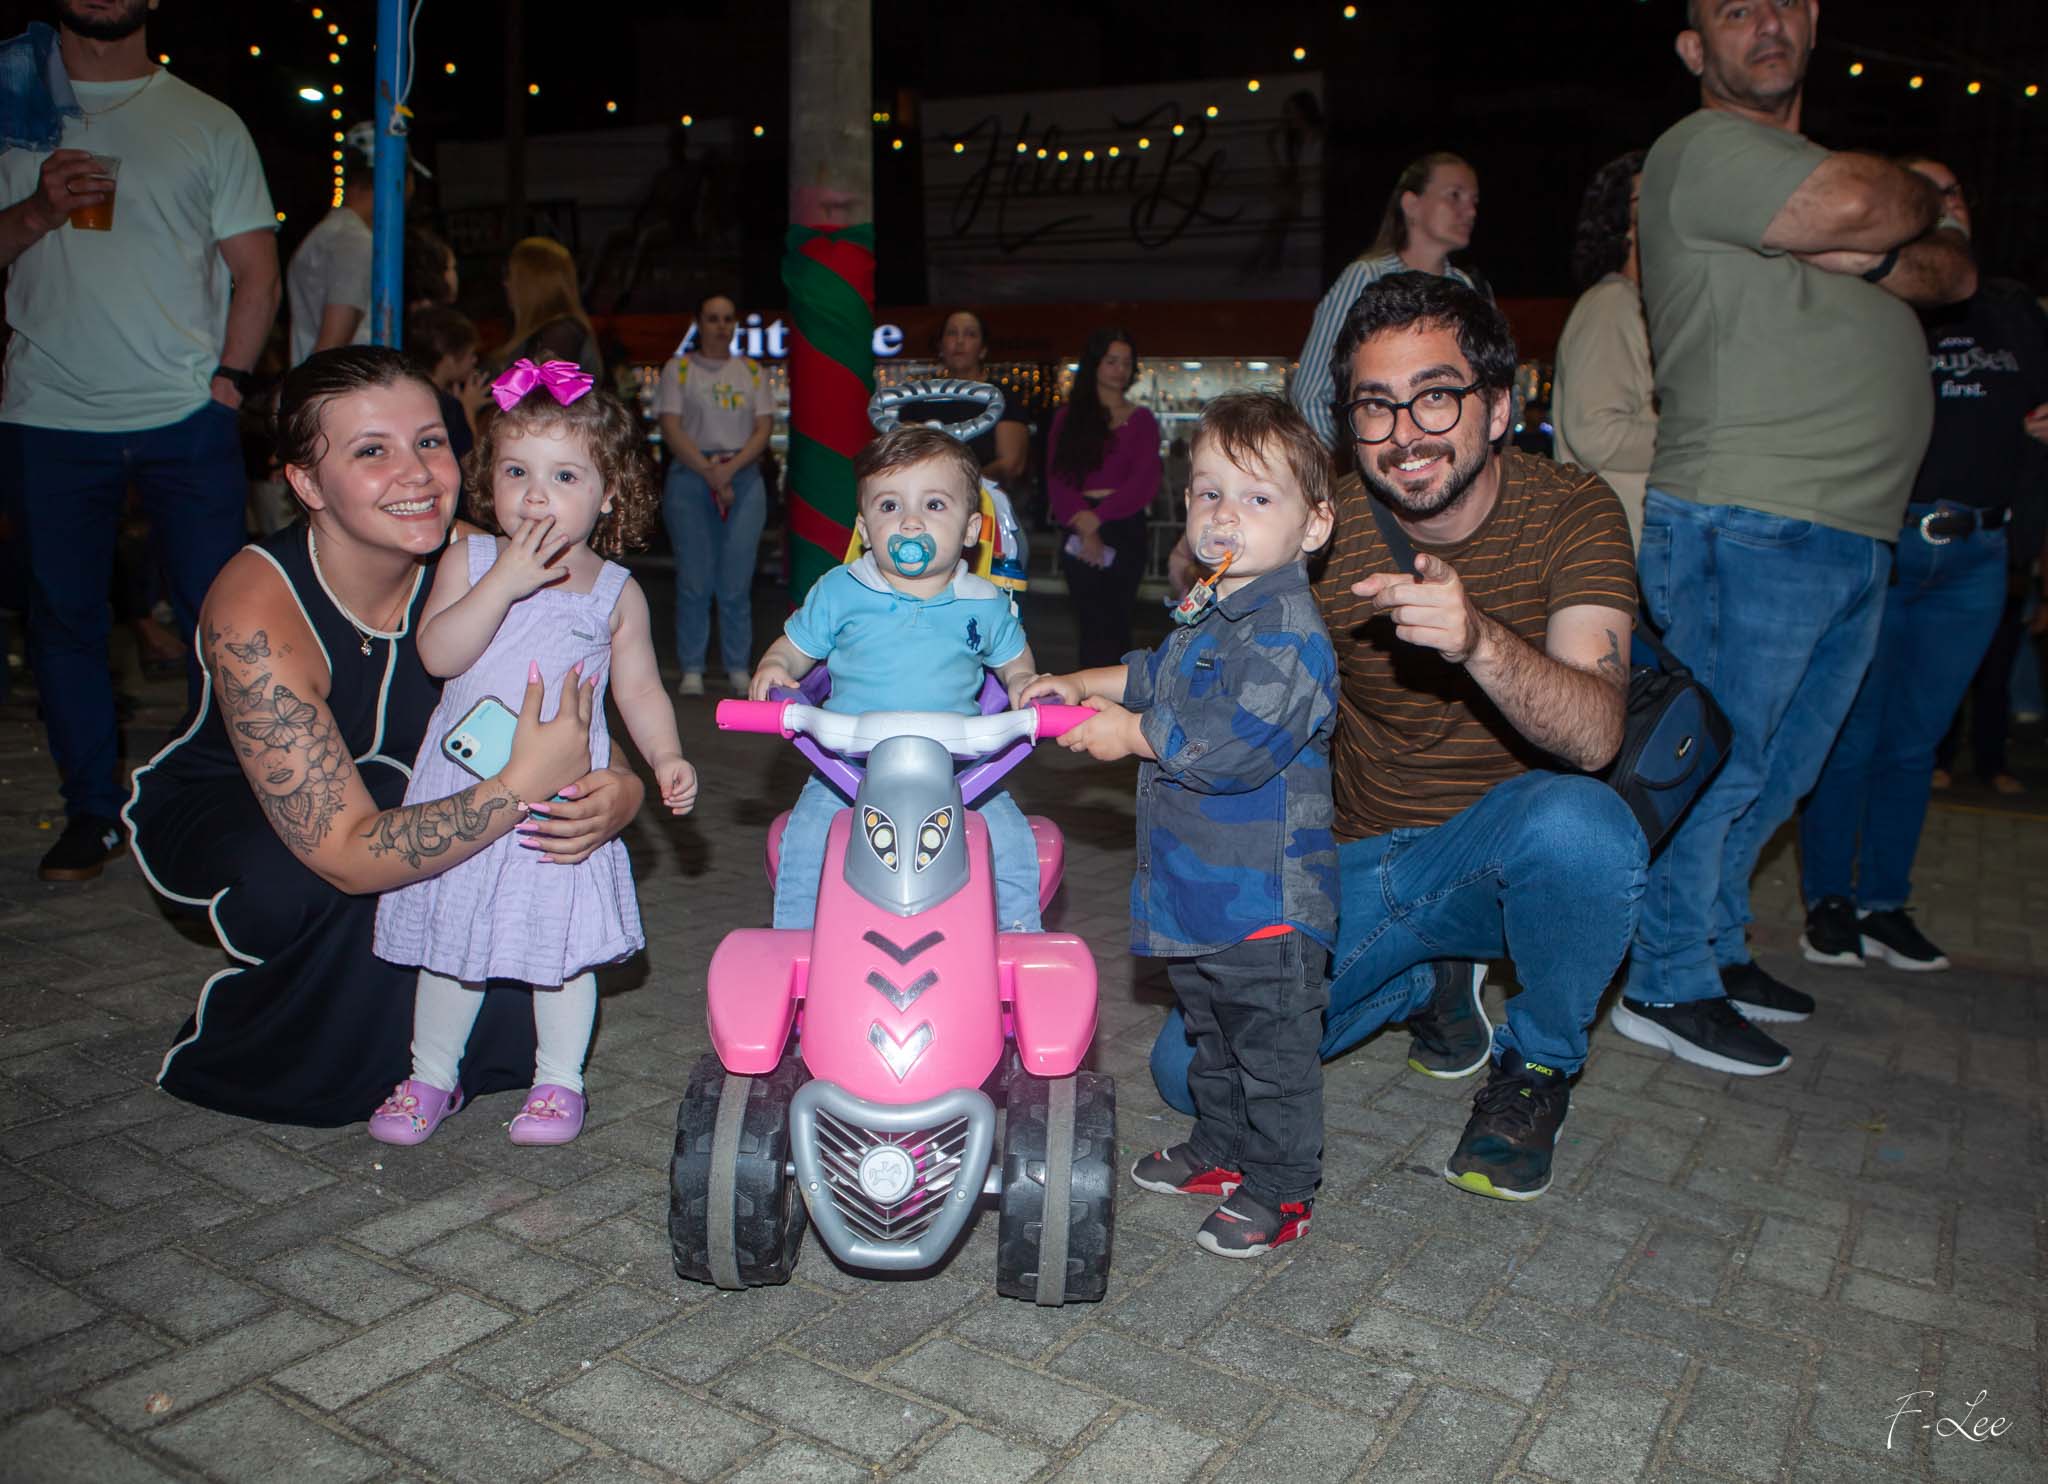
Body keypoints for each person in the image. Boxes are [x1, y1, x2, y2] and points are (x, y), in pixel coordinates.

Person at [1154, 274, 1645, 1203]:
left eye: (1436, 396)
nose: (1405, 433)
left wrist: (1477, 642)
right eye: (1375, 406)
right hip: (1358, 867)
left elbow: (1595, 736)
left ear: (1499, 407)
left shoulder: (1572, 509)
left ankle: (1539, 1065)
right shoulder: (1317, 529)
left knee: (1584, 824)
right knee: (1188, 1073)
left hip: (1503, 864)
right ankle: (1426, 985)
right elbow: (1203, 602)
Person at [123, 347, 646, 1128]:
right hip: (261, 810)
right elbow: (344, 850)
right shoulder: (257, 608)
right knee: (330, 891)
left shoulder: (484, 557)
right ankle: (303, 1044)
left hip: (419, 783)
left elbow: (582, 683)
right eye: (373, 451)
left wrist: (621, 789)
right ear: (307, 484)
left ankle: (469, 1059)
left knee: (523, 903)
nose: (418, 473)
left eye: (430, 441)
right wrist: (520, 788)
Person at [1617, 0, 1977, 1075]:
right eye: (1735, 9)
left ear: (1814, 21)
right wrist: (1910, 206)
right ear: (1695, 49)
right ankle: (1661, 979)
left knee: (1779, 773)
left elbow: (1952, 273)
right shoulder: (1703, 147)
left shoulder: (1800, 177)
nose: (1764, 21)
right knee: (1713, 766)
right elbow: (1880, 207)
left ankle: (1716, 950)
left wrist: (1872, 244)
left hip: (1850, 530)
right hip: (1746, 514)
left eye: (1781, 2)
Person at [1027, 390, 1338, 1258]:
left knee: (1271, 1053)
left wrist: (1132, 735)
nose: (1224, 515)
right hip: (1199, 895)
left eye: (1257, 497)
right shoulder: (1211, 607)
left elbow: (1234, 744)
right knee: (1212, 1033)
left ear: (1314, 525)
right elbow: (1153, 671)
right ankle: (1222, 1146)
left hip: (1266, 902)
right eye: (1208, 493)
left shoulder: (1289, 631)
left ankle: (1282, 1187)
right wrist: (1082, 684)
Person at [371, 359, 697, 1146]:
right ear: (491, 477)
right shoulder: (471, 561)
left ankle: (558, 1083)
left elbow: (640, 689)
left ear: (609, 492)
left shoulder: (614, 591)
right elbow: (439, 654)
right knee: (450, 946)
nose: (536, 495)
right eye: (517, 471)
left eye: (564, 476)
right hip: (463, 790)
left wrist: (666, 758)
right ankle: (431, 1076)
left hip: (560, 808)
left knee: (561, 949)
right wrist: (505, 583)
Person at [0, 0, 280, 882]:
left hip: (184, 417)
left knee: (221, 622)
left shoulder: (207, 121)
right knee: (63, 623)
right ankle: (91, 812)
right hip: (48, 412)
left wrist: (229, 384)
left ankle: (212, 803)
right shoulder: (14, 107)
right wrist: (36, 211)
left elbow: (256, 272)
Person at [1799, 157, 2048, 972]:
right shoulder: (1871, 304)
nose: (1946, 204)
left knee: (1914, 745)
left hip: (1977, 556)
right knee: (1852, 736)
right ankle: (1829, 902)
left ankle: (1885, 903)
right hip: (1887, 544)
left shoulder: (2009, 311)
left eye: (1956, 191)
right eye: (1927, 192)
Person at [749, 424, 1044, 933]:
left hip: (960, 771)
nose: (910, 522)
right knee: (806, 843)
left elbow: (1016, 663)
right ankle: (794, 941)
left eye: (934, 504)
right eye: (889, 506)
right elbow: (794, 649)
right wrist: (775, 667)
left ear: (970, 529)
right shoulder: (839, 590)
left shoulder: (986, 602)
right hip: (847, 765)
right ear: (865, 529)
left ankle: (1020, 938)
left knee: (1011, 843)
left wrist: (1025, 685)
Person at [1290, 152, 1484, 448]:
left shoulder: (1465, 287)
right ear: (1411, 205)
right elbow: (1309, 394)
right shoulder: (1365, 277)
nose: (1469, 211)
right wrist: (1347, 462)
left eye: (1474, 201)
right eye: (1454, 195)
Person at [657, 291, 774, 696]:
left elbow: (764, 428)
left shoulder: (752, 372)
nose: (721, 326)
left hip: (743, 476)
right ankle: (692, 666)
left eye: (727, 318)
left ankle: (737, 665)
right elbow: (670, 426)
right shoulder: (678, 370)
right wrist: (709, 471)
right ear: (699, 323)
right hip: (691, 477)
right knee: (694, 580)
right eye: (713, 318)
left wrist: (729, 469)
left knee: (736, 582)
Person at [1551, 150, 1656, 544]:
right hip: (1625, 549)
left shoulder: (1636, 305)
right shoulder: (1612, 304)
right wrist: (1696, 437)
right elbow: (1597, 434)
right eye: (1650, 196)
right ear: (1621, 222)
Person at [1047, 327, 1161, 669]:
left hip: (1124, 525)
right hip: (1077, 522)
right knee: (1089, 622)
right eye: (1112, 361)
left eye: (1126, 362)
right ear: (1095, 364)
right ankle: (1086, 695)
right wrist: (1084, 522)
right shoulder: (1067, 418)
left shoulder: (1142, 420)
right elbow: (1057, 477)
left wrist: (1099, 517)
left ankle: (1117, 695)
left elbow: (1145, 480)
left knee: (1118, 621)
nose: (1120, 369)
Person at [285, 122, 428, 366]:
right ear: (396, 176)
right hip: (347, 386)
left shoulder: (325, 234)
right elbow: (330, 350)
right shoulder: (354, 242)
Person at [931, 309, 1029, 483]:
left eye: (970, 334)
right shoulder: (921, 398)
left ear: (983, 350)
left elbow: (1011, 464)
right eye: (952, 333)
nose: (960, 341)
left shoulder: (1002, 397)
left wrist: (962, 485)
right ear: (941, 346)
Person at [494, 236, 601, 378]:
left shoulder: (561, 334)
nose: (506, 283)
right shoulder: (547, 333)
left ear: (530, 283)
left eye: (510, 275)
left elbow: (543, 388)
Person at [405, 303, 485, 463]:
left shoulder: (407, 391)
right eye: (470, 354)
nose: (474, 360)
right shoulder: (449, 407)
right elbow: (470, 464)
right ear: (449, 360)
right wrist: (468, 410)